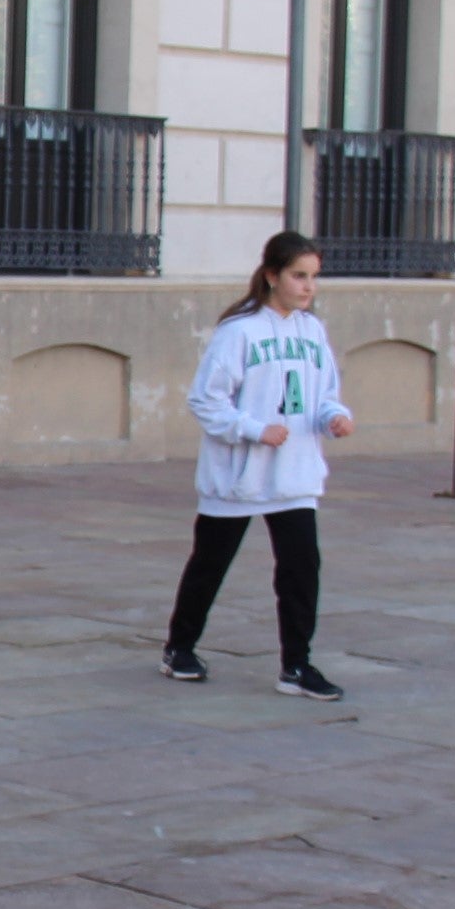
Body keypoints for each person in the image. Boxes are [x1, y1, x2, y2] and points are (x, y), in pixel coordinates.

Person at [164, 230, 355, 703]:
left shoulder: (313, 331)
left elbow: (322, 392)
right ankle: (179, 647)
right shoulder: (240, 331)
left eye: (314, 277)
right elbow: (206, 401)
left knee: (301, 567)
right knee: (210, 563)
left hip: (294, 476)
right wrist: (252, 428)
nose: (308, 287)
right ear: (272, 276)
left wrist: (333, 417)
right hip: (240, 476)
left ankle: (296, 664)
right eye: (298, 276)